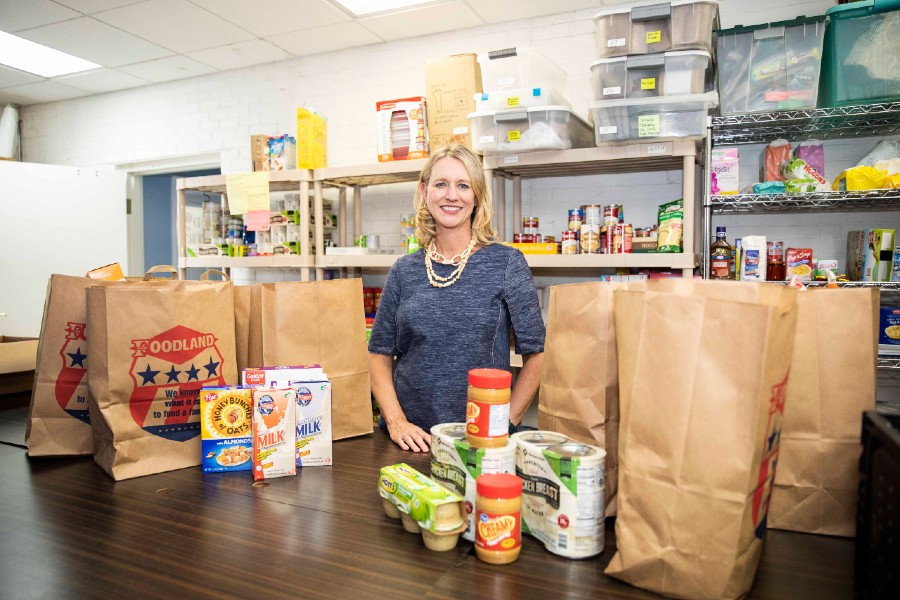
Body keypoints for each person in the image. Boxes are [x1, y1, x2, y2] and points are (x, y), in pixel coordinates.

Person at [368, 143, 546, 452]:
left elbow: (538, 354)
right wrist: (396, 422)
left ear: (476, 196)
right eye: (441, 184)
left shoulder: (506, 263)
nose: (452, 195)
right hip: (410, 440)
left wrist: (507, 422)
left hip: (479, 441)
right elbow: (378, 355)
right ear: (425, 192)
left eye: (463, 185)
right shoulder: (404, 270)